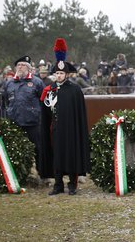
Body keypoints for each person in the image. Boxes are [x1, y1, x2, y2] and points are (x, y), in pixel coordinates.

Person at [40, 38, 90, 195]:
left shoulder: (74, 90)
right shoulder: (49, 89)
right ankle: (58, 184)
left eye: (62, 73)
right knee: (56, 156)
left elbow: (79, 114)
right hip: (55, 129)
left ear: (67, 74)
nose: (59, 76)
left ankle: (72, 184)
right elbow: (46, 110)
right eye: (57, 73)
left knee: (71, 156)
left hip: (71, 130)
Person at [4, 55, 44, 174]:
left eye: (23, 65)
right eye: (18, 65)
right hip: (15, 122)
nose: (20, 67)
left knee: (38, 149)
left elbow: (44, 100)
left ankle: (42, 174)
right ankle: (21, 174)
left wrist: (37, 113)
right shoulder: (9, 83)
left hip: (32, 122)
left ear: (28, 68)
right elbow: (5, 100)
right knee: (17, 149)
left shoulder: (36, 82)